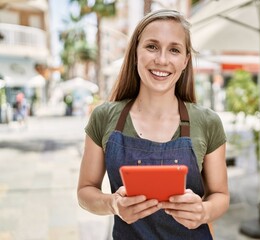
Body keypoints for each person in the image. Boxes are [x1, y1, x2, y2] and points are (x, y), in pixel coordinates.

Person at [77, 9, 229, 239]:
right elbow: (85, 192)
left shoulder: (208, 122)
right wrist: (113, 204)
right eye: (152, 46)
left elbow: (221, 195)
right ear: (135, 53)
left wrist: (203, 211)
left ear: (186, 60)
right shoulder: (104, 117)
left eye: (174, 50)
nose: (162, 60)